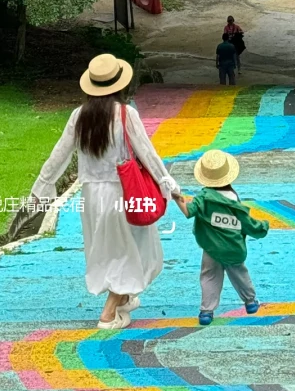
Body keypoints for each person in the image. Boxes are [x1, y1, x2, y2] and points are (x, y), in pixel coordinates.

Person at [30, 52, 187, 331]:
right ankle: (109, 311)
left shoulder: (79, 116)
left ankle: (123, 298)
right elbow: (148, 156)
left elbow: (59, 155)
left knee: (110, 251)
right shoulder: (126, 115)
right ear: (119, 84)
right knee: (136, 250)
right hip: (126, 194)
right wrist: (173, 190)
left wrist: (42, 188)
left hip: (91, 196)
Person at [178, 147, 268, 325]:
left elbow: (188, 211)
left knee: (209, 277)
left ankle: (206, 312)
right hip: (233, 247)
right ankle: (250, 302)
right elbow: (247, 223)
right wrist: (262, 227)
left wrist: (177, 197)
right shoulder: (234, 199)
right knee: (239, 273)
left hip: (211, 248)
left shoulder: (204, 197)